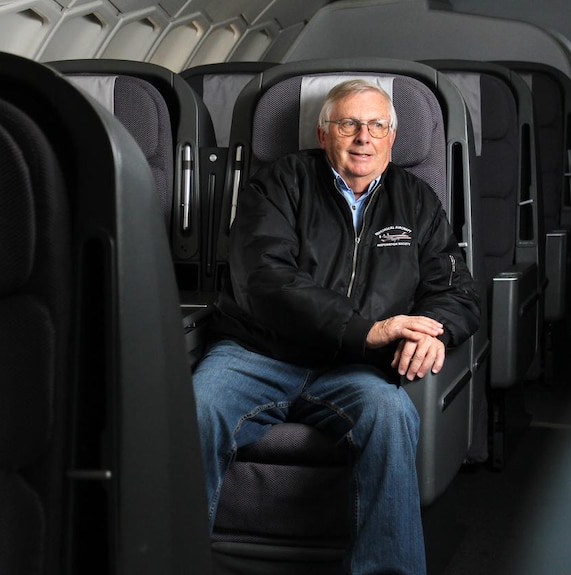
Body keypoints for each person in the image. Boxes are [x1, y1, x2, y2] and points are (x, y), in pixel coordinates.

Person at [192, 79, 481, 574]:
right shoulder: (279, 182)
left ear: (393, 137)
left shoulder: (417, 201)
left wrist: (432, 330)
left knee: (389, 416)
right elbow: (266, 280)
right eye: (348, 124)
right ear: (324, 134)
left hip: (355, 369)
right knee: (195, 408)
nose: (363, 137)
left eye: (376, 126)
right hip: (259, 353)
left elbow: (455, 292)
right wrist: (365, 331)